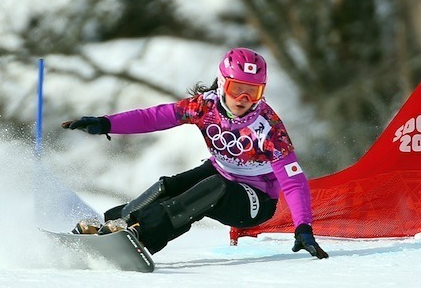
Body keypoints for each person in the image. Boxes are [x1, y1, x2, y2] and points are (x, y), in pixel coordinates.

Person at [62, 47, 328, 259]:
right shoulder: (205, 106)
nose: (244, 100)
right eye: (238, 89)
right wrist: (107, 123)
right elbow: (154, 117)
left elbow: (293, 180)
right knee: (168, 187)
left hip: (255, 201)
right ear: (223, 84)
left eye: (253, 92)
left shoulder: (269, 128)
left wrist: (302, 226)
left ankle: (143, 235)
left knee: (213, 187)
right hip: (223, 172)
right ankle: (112, 224)